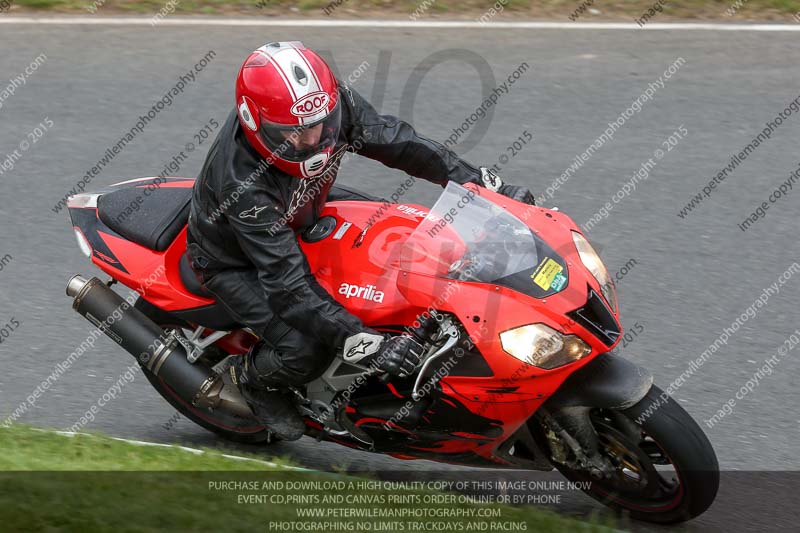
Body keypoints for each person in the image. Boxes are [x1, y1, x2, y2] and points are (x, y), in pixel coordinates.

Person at [186, 41, 536, 441]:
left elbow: (398, 142)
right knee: (305, 347)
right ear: (254, 123)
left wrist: (483, 188)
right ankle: (250, 379)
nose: (313, 139)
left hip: (304, 206)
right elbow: (286, 284)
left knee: (402, 233)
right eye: (294, 134)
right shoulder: (243, 186)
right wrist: (364, 343)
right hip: (235, 260)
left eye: (321, 125)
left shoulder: (325, 106)